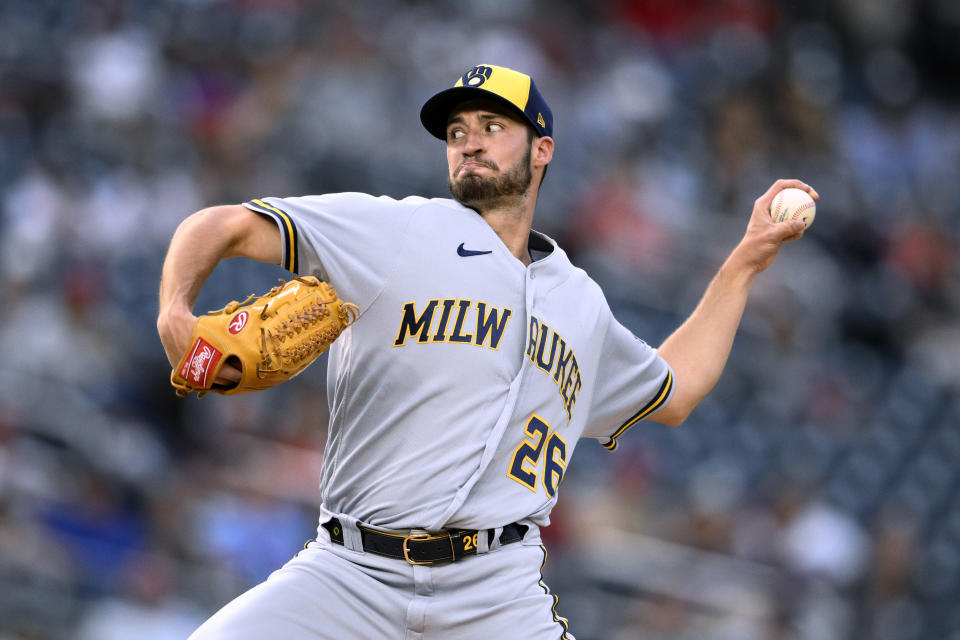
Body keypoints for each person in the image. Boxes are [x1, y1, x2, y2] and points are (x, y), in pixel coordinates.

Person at [157, 63, 817, 639]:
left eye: (491, 126)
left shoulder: (580, 303)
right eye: (456, 131)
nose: (468, 141)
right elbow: (224, 225)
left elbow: (677, 389)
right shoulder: (399, 228)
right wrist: (176, 308)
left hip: (495, 594)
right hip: (350, 572)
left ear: (542, 150)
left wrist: (744, 263)